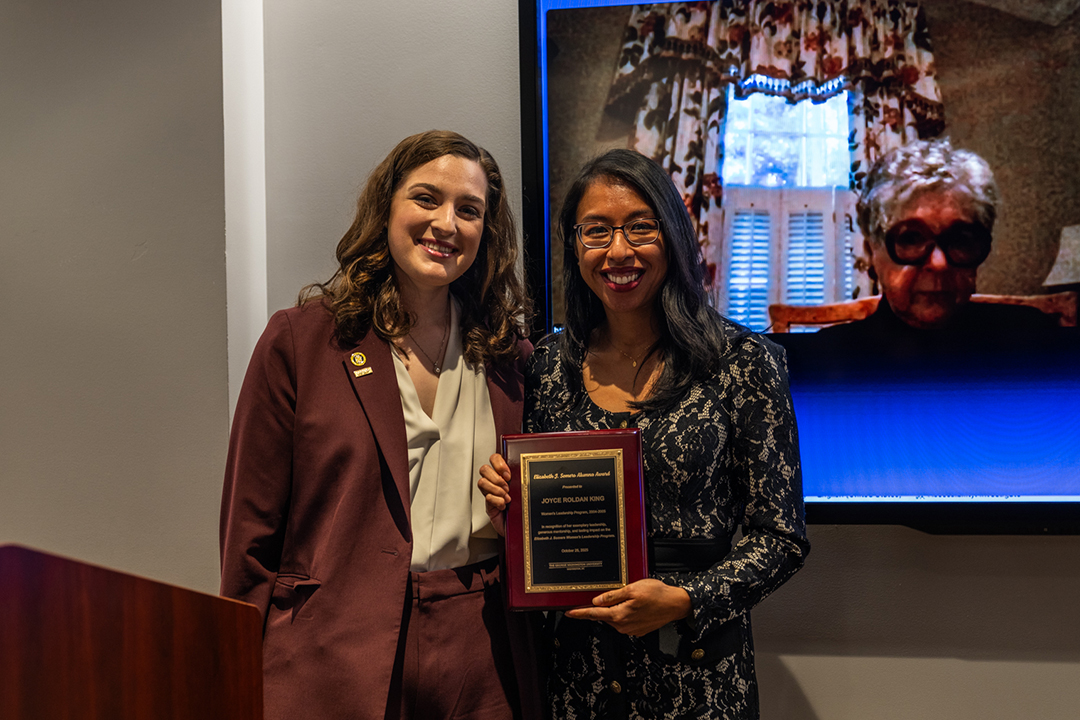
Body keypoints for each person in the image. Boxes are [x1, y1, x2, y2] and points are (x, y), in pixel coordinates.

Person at [220, 130, 543, 720]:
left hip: (482, 649)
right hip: (333, 650)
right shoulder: (300, 342)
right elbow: (250, 535)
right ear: (386, 207)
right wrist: (230, 676)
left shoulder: (510, 358)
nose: (445, 223)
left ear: (486, 232)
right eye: (426, 198)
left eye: (469, 210)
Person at [480, 149, 809, 719]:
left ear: (673, 236)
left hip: (697, 673)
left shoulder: (743, 362)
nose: (618, 252)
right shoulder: (547, 366)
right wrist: (506, 507)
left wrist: (685, 599)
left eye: (639, 227)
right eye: (596, 231)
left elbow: (782, 538)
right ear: (574, 246)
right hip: (579, 674)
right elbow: (542, 524)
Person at [813, 138, 1062, 359]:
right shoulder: (824, 359)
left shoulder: (1033, 340)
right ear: (871, 253)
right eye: (911, 239)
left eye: (960, 240)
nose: (939, 263)